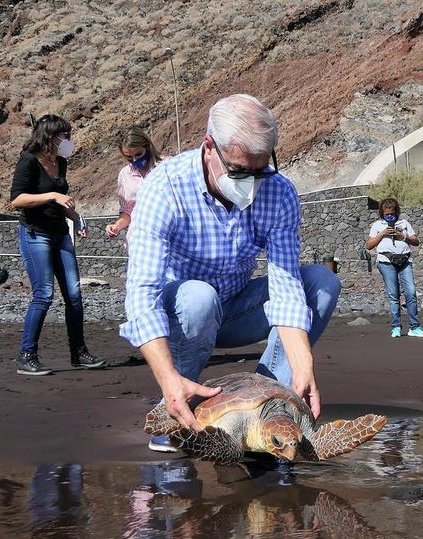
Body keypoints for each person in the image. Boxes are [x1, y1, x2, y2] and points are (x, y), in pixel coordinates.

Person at [121, 94, 342, 451]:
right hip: (184, 316)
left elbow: (286, 286)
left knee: (322, 282)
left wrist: (303, 366)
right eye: (240, 171)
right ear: (209, 147)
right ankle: (178, 404)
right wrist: (167, 378)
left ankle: (267, 405)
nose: (252, 182)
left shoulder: (279, 192)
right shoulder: (165, 188)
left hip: (237, 308)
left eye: (261, 170)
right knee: (198, 298)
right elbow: (142, 294)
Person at [9, 113, 107, 376]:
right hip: (35, 234)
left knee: (74, 296)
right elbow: (17, 200)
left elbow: (58, 201)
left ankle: (79, 352)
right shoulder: (28, 161)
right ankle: (27, 355)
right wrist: (53, 194)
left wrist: (75, 217)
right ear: (49, 136)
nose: (69, 140)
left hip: (60, 233)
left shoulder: (61, 163)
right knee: (43, 294)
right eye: (65, 135)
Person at [365, 197, 423, 338]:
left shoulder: (404, 223)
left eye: (391, 213)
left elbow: (416, 241)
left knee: (411, 293)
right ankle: (396, 327)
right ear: (382, 213)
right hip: (386, 261)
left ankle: (414, 327)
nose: (389, 216)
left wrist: (402, 235)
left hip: (405, 260)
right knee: (394, 295)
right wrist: (382, 233)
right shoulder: (377, 225)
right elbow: (369, 245)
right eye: (386, 214)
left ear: (396, 212)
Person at [105, 127, 162, 239]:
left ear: (147, 146)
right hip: (138, 239)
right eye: (129, 157)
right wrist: (116, 226)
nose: (135, 160)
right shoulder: (124, 175)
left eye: (138, 154)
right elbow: (127, 212)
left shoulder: (166, 166)